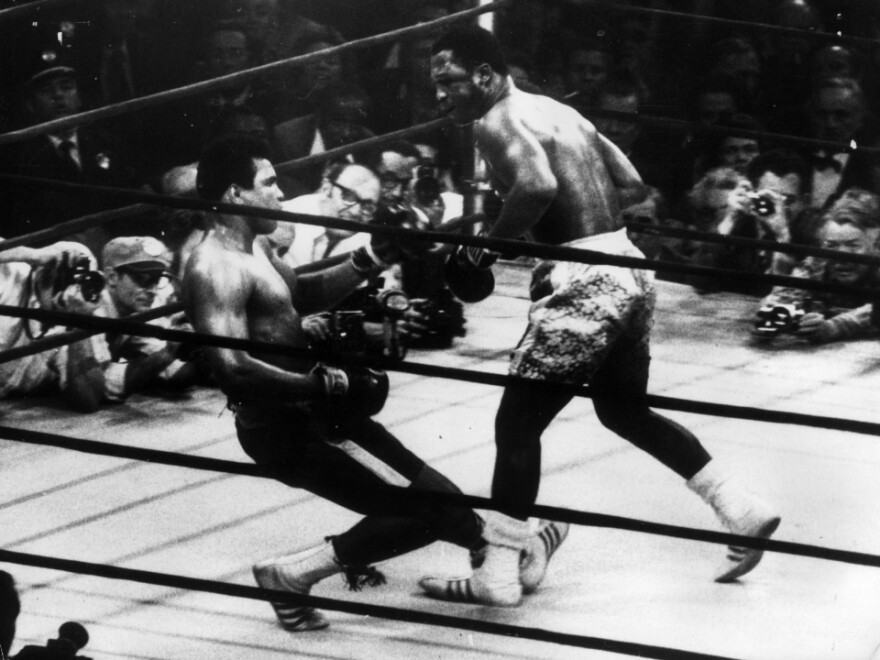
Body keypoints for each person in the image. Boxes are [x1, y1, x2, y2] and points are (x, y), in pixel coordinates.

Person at [420, 26, 780, 607]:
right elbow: (633, 185)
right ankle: (740, 506)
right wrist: (561, 225)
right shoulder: (563, 114)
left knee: (515, 429)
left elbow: (536, 185)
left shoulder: (497, 119)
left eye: (447, 81)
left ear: (484, 75)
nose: (440, 95)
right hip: (630, 268)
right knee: (623, 410)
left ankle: (499, 573)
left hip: (586, 279)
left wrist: (486, 245)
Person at [181, 134, 560, 631]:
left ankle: (506, 549)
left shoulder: (254, 247)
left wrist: (373, 257)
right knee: (424, 508)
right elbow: (231, 366)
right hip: (287, 424)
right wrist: (323, 386)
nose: (279, 193)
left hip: (316, 411)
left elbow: (302, 296)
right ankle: (292, 574)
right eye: (268, 183)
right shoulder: (215, 267)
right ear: (234, 193)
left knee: (431, 495)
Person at [754, 188, 880, 344]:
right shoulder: (817, 262)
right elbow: (784, 295)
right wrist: (772, 317)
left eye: (853, 245)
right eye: (831, 245)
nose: (841, 257)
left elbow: (875, 311)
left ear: (877, 245)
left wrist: (833, 327)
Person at [0, 240, 106, 411]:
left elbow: (89, 400)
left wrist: (78, 322)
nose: (72, 289)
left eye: (80, 282)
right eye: (65, 276)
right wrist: (31, 254)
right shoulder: (11, 275)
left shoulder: (81, 311)